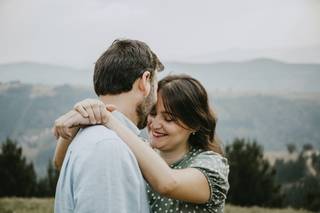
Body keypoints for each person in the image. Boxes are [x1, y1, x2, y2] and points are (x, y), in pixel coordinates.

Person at [54, 74, 230, 213]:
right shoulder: (140, 148)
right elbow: (60, 162)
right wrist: (82, 116)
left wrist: (107, 119)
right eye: (152, 113)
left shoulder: (211, 165)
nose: (155, 124)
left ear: (194, 124)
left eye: (169, 119)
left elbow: (168, 184)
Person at [53, 39, 164, 213]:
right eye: (156, 87)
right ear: (145, 80)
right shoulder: (108, 147)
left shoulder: (98, 138)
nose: (156, 99)